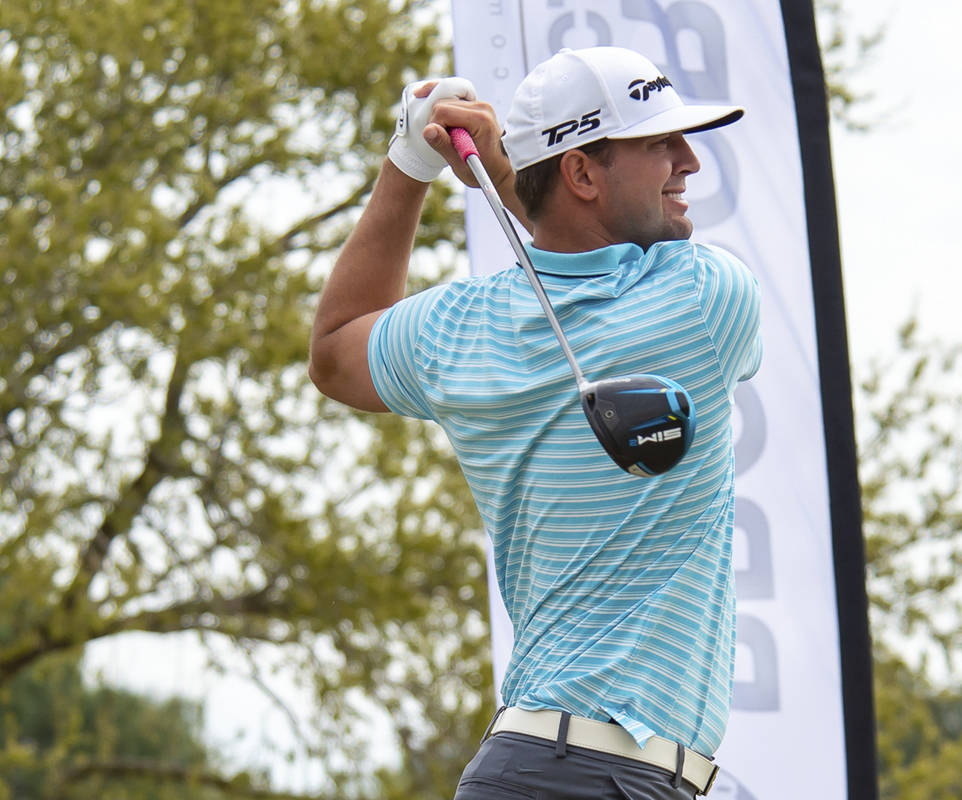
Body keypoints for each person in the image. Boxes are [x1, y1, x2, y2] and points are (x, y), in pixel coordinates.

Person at [308, 46, 762, 799]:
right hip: (607, 775)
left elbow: (336, 345)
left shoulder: (460, 326)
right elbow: (578, 249)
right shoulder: (706, 301)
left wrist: (408, 166)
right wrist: (507, 177)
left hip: (532, 766)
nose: (690, 163)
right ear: (582, 173)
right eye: (660, 145)